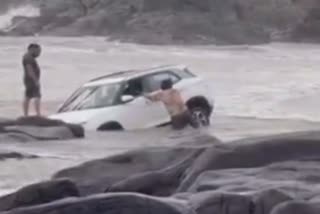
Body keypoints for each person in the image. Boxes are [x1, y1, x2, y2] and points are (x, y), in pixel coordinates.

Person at [22, 43, 42, 117]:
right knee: (37, 96)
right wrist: (36, 80)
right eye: (38, 51)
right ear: (32, 49)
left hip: (29, 79)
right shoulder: (28, 58)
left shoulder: (28, 57)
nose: (39, 53)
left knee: (28, 96)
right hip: (31, 79)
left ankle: (26, 114)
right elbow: (29, 69)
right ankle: (38, 114)